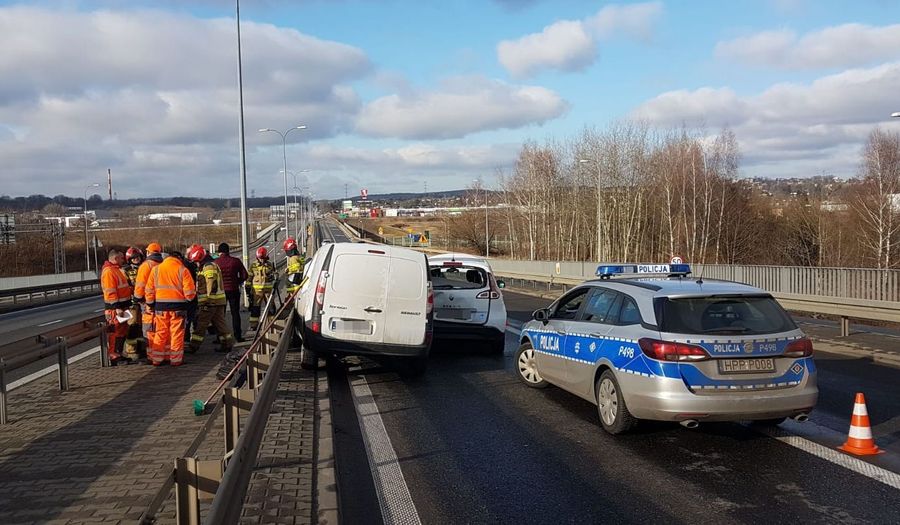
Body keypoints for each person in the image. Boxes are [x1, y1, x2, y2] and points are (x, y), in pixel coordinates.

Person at [145, 250, 196, 367]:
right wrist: (188, 300)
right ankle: (175, 359)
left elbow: (149, 290)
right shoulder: (183, 270)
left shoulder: (156, 269)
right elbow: (190, 292)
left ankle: (157, 359)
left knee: (160, 333)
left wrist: (150, 304)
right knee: (176, 334)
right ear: (178, 259)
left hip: (160, 308)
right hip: (178, 308)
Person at [186, 244, 234, 353]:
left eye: (196, 262)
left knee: (201, 324)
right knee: (220, 324)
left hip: (210, 302)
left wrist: (208, 302)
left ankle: (194, 345)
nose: (196, 264)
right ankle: (227, 343)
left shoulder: (208, 267)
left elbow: (211, 286)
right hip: (217, 301)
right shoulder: (209, 265)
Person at [100, 249, 133, 364]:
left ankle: (119, 353)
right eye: (121, 258)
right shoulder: (109, 272)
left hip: (122, 306)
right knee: (115, 332)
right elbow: (110, 292)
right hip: (115, 309)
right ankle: (114, 356)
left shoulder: (117, 270)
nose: (123, 260)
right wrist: (116, 307)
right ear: (115, 259)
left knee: (122, 330)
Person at [134, 242, 164, 363]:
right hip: (162, 302)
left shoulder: (146, 266)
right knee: (161, 329)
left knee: (149, 330)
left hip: (148, 303)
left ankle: (152, 356)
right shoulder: (163, 264)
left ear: (148, 252)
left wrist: (137, 298)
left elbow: (140, 285)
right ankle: (162, 354)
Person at [213, 242, 248, 341]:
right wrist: (237, 281)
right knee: (235, 313)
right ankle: (238, 336)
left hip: (221, 292)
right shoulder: (235, 261)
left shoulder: (216, 263)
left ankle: (220, 337)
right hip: (234, 290)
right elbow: (245, 275)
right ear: (228, 251)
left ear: (219, 252)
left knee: (220, 316)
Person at [122, 246, 145, 361]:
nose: (136, 259)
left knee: (142, 326)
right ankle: (131, 351)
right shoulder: (125, 270)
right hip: (131, 304)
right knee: (132, 326)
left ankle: (141, 349)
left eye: (137, 257)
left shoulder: (144, 267)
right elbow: (125, 287)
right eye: (133, 258)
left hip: (144, 302)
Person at [248, 246, 276, 331]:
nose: (262, 260)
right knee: (255, 309)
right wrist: (247, 289)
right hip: (257, 292)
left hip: (268, 291)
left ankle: (272, 324)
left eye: (263, 258)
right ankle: (254, 325)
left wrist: (273, 277)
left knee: (271, 308)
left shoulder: (270, 265)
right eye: (260, 258)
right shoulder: (253, 266)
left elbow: (274, 275)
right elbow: (249, 278)